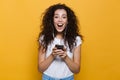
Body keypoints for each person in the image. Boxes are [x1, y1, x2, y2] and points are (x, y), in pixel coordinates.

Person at [38, 3, 82, 80]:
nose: (60, 20)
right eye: (56, 17)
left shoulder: (76, 39)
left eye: (64, 17)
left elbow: (76, 70)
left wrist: (65, 57)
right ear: (52, 20)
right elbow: (40, 69)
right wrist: (52, 55)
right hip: (48, 78)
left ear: (68, 20)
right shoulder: (44, 38)